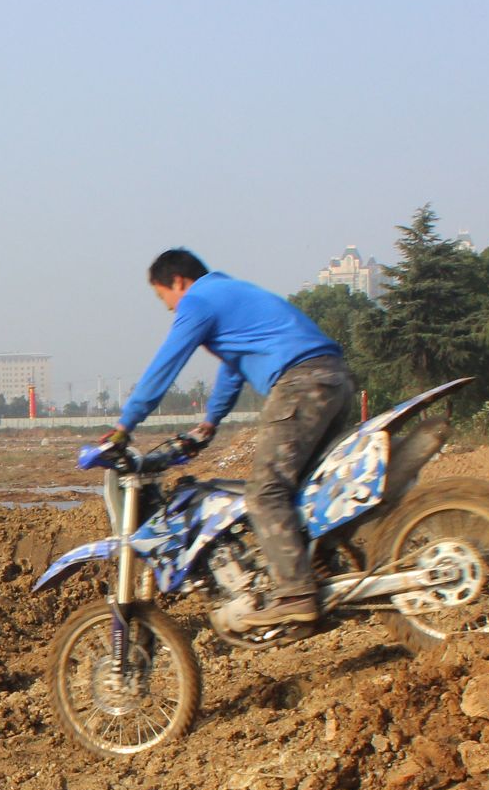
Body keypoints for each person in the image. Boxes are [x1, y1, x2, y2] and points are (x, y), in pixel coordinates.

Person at [103, 249, 355, 627]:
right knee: (304, 493)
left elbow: (165, 366)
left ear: (178, 282)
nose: (169, 308)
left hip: (300, 385)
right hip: (334, 380)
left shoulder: (198, 301)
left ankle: (296, 594)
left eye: (163, 297)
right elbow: (234, 368)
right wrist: (211, 421)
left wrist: (126, 425)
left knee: (265, 493)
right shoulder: (230, 291)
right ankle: (325, 570)